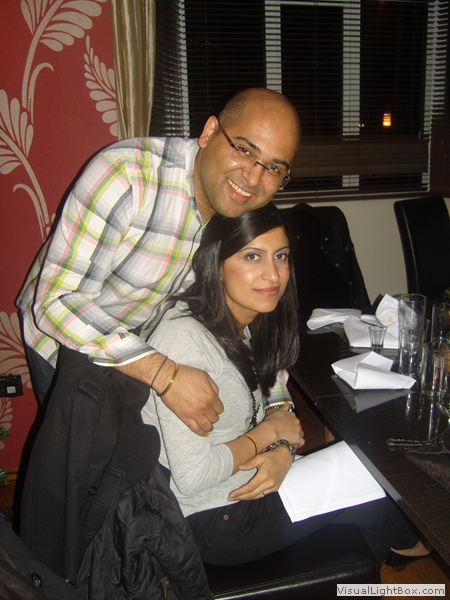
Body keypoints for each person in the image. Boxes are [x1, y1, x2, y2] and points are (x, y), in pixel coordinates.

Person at [141, 204, 430, 569]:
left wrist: (282, 449)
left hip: (242, 482)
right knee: (376, 488)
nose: (273, 274)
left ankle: (375, 566)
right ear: (215, 264)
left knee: (374, 491)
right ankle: (393, 559)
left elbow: (271, 395)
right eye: (252, 256)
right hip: (212, 517)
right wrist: (269, 434)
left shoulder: (244, 320)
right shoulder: (186, 341)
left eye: (281, 256)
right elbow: (193, 477)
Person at [16, 88, 301, 436]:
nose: (253, 179)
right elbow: (57, 301)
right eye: (244, 150)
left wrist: (277, 406)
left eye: (273, 168)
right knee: (78, 453)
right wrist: (165, 374)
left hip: (149, 348)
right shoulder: (126, 175)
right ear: (210, 132)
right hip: (66, 339)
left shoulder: (242, 204)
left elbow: (251, 310)